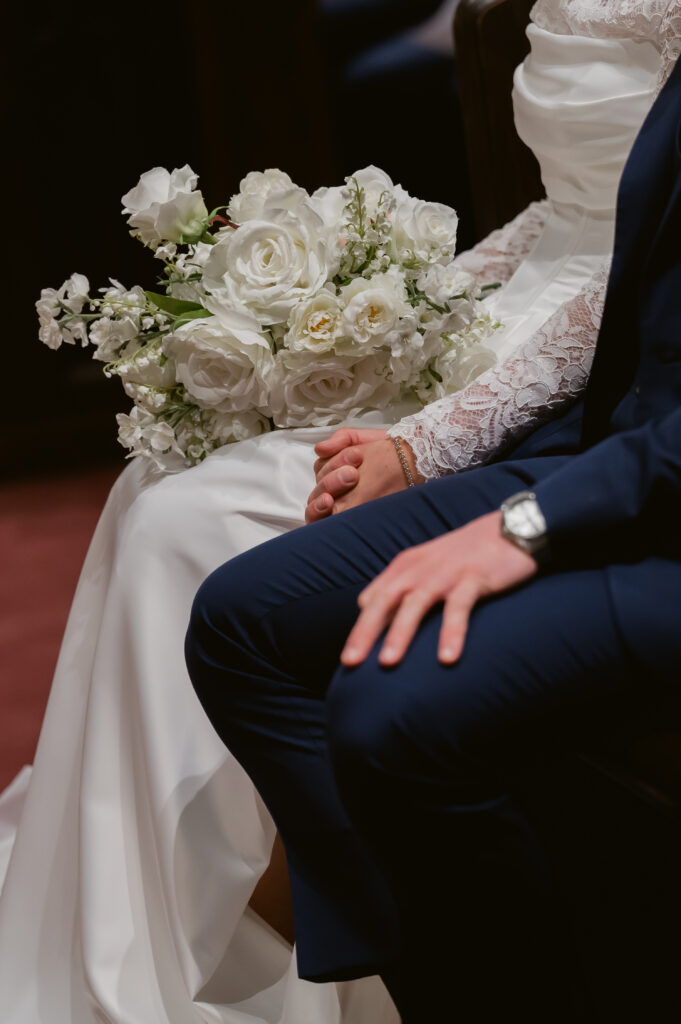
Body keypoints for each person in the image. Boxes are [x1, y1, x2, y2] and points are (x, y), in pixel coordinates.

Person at [1, 2, 679, 1022]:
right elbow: (582, 212)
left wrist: (444, 445)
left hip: (606, 416)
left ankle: (405, 977)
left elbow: (621, 283)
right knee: (177, 526)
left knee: (243, 565)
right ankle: (215, 936)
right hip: (581, 373)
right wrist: (405, 310)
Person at [185, 40, 681, 1023]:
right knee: (242, 618)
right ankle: (436, 970)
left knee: (387, 705)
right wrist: (450, 451)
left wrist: (529, 521)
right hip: (621, 448)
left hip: (661, 505)